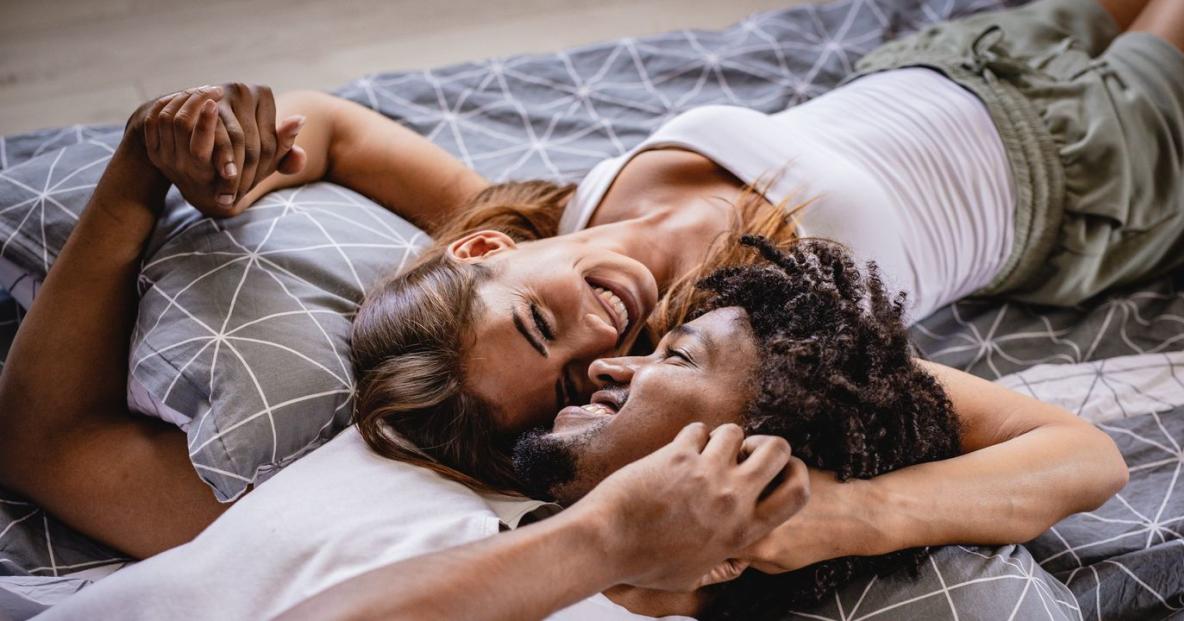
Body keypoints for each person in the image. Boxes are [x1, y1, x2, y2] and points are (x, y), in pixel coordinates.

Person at [0, 104, 808, 620]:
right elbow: (48, 445)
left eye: (540, 328)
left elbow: (49, 441)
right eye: (560, 364)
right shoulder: (394, 456)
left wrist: (149, 165)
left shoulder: (466, 437)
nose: (603, 343)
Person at [274, 236, 1117, 620]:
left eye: (669, 357)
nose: (610, 352)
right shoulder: (430, 485)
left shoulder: (775, 361)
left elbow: (1087, 457)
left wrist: (835, 517)